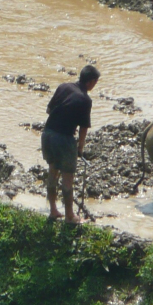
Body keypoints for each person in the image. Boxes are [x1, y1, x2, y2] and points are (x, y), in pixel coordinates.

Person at [41, 65, 100, 224]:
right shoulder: (86, 100)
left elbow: (49, 110)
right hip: (63, 139)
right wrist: (80, 148)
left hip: (47, 134)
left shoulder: (63, 87)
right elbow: (84, 127)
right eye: (96, 82)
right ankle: (69, 216)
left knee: (53, 172)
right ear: (91, 82)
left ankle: (53, 210)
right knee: (67, 179)